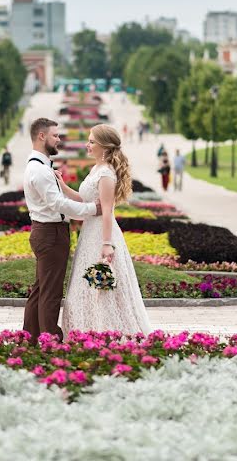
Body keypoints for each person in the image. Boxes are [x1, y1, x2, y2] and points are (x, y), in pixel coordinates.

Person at [58, 124, 151, 335]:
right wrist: (62, 186)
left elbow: (107, 211)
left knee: (101, 288)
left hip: (101, 234)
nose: (87, 145)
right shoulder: (96, 169)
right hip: (89, 232)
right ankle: (87, 332)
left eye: (92, 142)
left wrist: (107, 244)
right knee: (87, 287)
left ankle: (107, 332)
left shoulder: (107, 174)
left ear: (104, 146)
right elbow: (85, 199)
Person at [23, 118, 102, 343]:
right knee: (50, 293)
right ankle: (50, 341)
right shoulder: (39, 170)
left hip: (48, 231)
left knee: (41, 290)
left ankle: (30, 338)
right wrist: (90, 209)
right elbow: (57, 204)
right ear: (41, 136)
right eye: (55, 135)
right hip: (50, 233)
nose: (59, 139)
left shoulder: (41, 167)